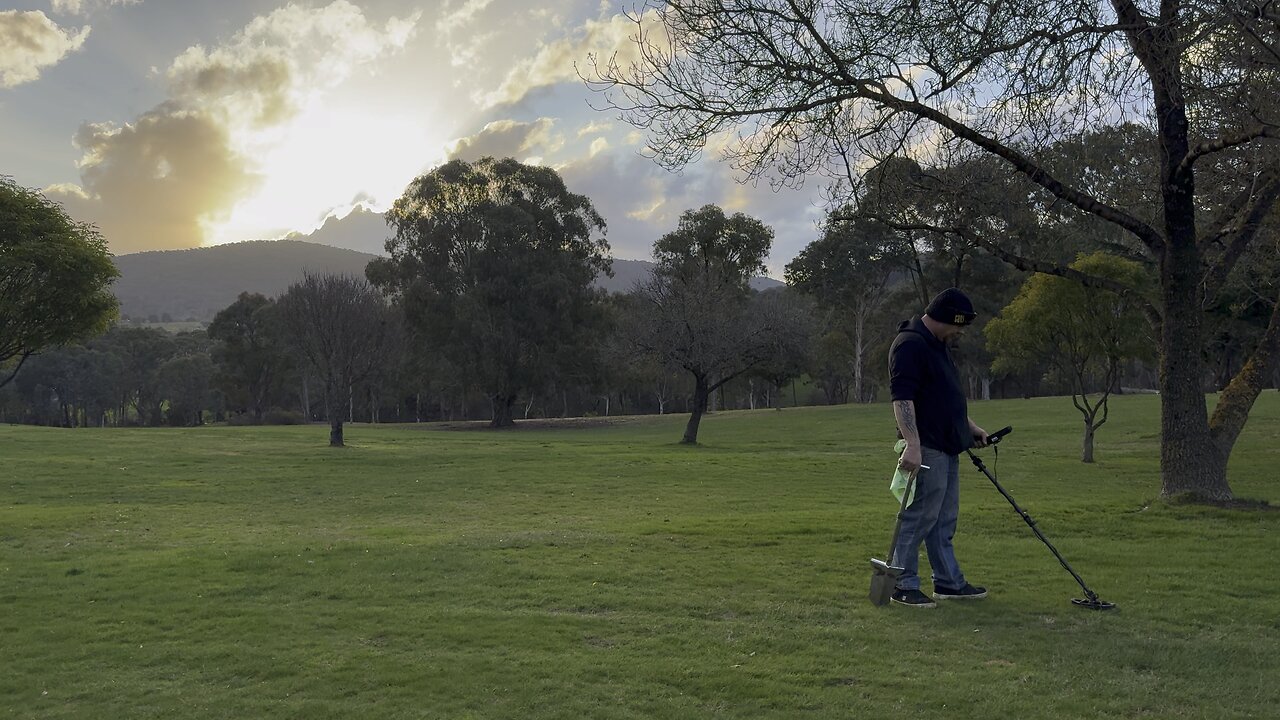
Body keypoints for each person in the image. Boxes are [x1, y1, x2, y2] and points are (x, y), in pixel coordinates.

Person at [887, 287, 990, 608]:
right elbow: (902, 398)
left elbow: (944, 394)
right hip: (926, 445)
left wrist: (969, 426)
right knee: (918, 517)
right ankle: (901, 584)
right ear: (947, 318)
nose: (960, 332)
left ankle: (948, 582)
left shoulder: (937, 344)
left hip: (948, 443)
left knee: (944, 520)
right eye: (959, 325)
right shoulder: (910, 345)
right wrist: (912, 445)